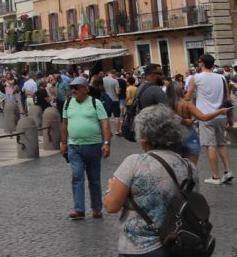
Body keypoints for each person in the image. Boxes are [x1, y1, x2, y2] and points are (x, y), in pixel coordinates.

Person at [104, 105, 204, 256]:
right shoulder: (188, 167)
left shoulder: (134, 162)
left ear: (143, 134)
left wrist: (111, 187)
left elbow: (111, 206)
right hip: (176, 244)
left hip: (138, 247)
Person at [60, 75, 111, 220]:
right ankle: (79, 209)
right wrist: (63, 142)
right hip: (74, 146)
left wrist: (106, 144)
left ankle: (96, 208)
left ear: (85, 89)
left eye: (76, 87)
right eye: (72, 88)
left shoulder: (95, 103)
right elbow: (64, 124)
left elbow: (105, 124)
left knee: (94, 178)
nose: (73, 90)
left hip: (93, 146)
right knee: (77, 176)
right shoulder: (68, 103)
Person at [187, 53, 233, 185]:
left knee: (210, 145)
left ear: (201, 63)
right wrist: (230, 117)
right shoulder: (221, 78)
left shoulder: (196, 78)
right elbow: (228, 99)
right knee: (221, 143)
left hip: (205, 116)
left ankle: (215, 176)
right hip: (221, 115)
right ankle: (228, 171)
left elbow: (188, 96)